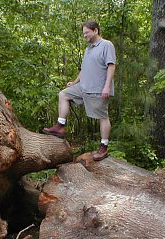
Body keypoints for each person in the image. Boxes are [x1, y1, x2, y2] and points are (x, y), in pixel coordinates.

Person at [43, 20, 116, 161]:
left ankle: (103, 147)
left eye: (86, 33)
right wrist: (75, 82)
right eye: (83, 34)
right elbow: (84, 69)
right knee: (63, 94)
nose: (84, 36)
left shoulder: (106, 45)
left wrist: (107, 86)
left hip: (98, 89)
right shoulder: (88, 49)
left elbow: (111, 66)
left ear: (95, 30)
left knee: (103, 117)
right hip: (83, 87)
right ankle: (60, 126)